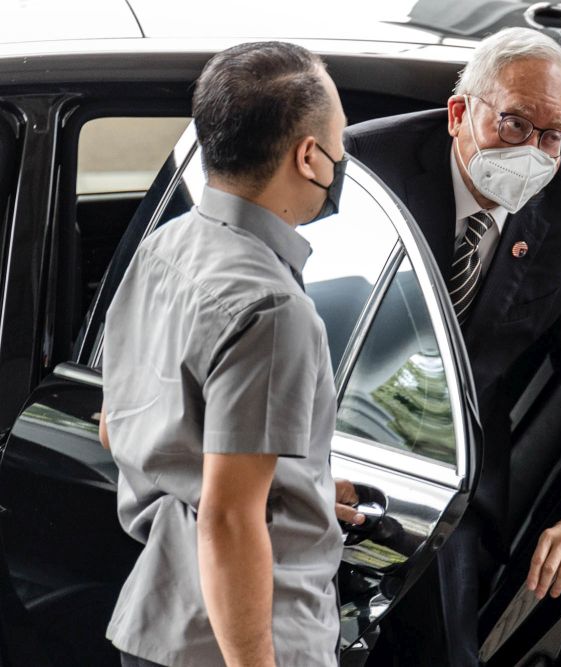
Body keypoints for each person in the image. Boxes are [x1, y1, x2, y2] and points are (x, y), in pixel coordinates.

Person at [344, 27, 561, 666]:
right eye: (514, 125)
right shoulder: (363, 168)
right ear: (459, 114)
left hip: (448, 475)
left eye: (553, 136)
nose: (533, 151)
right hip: (327, 450)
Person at [99, 41, 362, 667]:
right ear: (309, 156)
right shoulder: (274, 310)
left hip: (158, 621)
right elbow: (228, 518)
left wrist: (292, 481)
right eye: (339, 140)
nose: (342, 155)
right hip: (241, 640)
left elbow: (120, 427)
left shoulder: (164, 248)